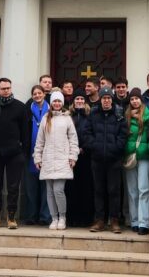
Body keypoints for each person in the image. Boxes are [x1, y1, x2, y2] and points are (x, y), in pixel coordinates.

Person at [0, 78, 30, 230]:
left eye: (8, 88)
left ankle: (11, 216)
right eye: (3, 88)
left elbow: (26, 132)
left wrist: (23, 153)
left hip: (15, 154)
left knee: (13, 187)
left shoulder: (20, 107)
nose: (6, 91)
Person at [82, 86, 127, 233]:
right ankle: (99, 220)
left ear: (112, 100)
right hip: (97, 159)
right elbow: (86, 134)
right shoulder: (93, 114)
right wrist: (95, 147)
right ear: (100, 100)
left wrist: (115, 148)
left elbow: (123, 135)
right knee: (99, 190)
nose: (106, 101)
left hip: (114, 160)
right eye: (104, 98)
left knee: (114, 191)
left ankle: (114, 220)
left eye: (108, 98)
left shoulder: (119, 114)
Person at [33, 90, 78, 230]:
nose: (57, 103)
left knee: (58, 190)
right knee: (50, 192)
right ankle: (54, 218)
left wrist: (73, 156)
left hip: (62, 160)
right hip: (47, 159)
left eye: (59, 101)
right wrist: (37, 157)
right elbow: (40, 141)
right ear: (51, 103)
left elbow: (73, 139)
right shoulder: (46, 118)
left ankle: (62, 217)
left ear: (62, 103)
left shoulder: (67, 118)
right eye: (54, 101)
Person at [123, 88, 149, 235]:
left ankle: (144, 222)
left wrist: (148, 149)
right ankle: (134, 221)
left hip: (144, 156)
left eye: (137, 98)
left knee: (144, 189)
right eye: (132, 99)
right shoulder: (126, 117)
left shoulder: (148, 116)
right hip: (130, 156)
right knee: (132, 190)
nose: (134, 101)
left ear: (141, 100)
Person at [23, 85, 51, 226]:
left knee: (46, 188)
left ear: (44, 94)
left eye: (39, 93)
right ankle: (31, 215)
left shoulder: (51, 110)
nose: (37, 96)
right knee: (31, 187)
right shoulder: (27, 111)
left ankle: (45, 216)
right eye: (35, 94)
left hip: (49, 154)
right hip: (30, 153)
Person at [67, 89, 94, 228]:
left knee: (86, 188)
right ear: (73, 101)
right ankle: (72, 218)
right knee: (71, 188)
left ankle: (86, 218)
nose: (79, 101)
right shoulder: (68, 116)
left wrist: (84, 147)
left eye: (82, 99)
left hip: (85, 156)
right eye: (77, 99)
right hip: (70, 157)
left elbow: (93, 134)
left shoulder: (90, 116)